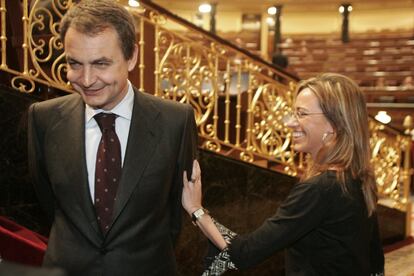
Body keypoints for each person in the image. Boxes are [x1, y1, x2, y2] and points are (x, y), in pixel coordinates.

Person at [27, 0, 197, 275]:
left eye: (101, 63)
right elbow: (48, 200)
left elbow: (176, 215)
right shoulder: (43, 118)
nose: (86, 79)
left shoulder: (175, 121)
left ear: (132, 57)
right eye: (74, 64)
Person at [183, 73, 385, 275]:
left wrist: (196, 210)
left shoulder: (321, 189)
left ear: (333, 126)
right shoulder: (359, 178)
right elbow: (375, 264)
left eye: (302, 114)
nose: (290, 123)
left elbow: (245, 253)